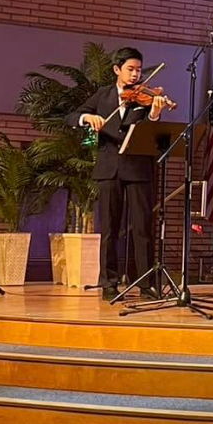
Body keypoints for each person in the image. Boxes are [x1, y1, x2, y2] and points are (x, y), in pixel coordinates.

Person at [67, 47, 170, 300]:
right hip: (109, 169)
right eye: (130, 69)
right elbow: (72, 116)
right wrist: (88, 118)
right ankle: (109, 283)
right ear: (117, 69)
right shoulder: (103, 96)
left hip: (138, 169)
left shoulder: (145, 97)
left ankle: (146, 284)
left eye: (138, 70)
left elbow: (153, 134)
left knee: (142, 229)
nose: (135, 75)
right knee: (109, 229)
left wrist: (154, 114)